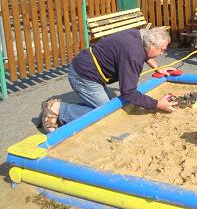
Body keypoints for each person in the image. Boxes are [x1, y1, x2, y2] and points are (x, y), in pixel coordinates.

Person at [41, 27, 178, 133]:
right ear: (152, 44)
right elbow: (129, 92)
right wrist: (157, 104)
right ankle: (59, 109)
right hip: (83, 75)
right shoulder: (133, 55)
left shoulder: (140, 36)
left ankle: (64, 108)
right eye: (162, 50)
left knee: (109, 105)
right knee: (108, 114)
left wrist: (158, 68)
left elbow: (146, 54)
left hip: (91, 69)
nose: (162, 54)